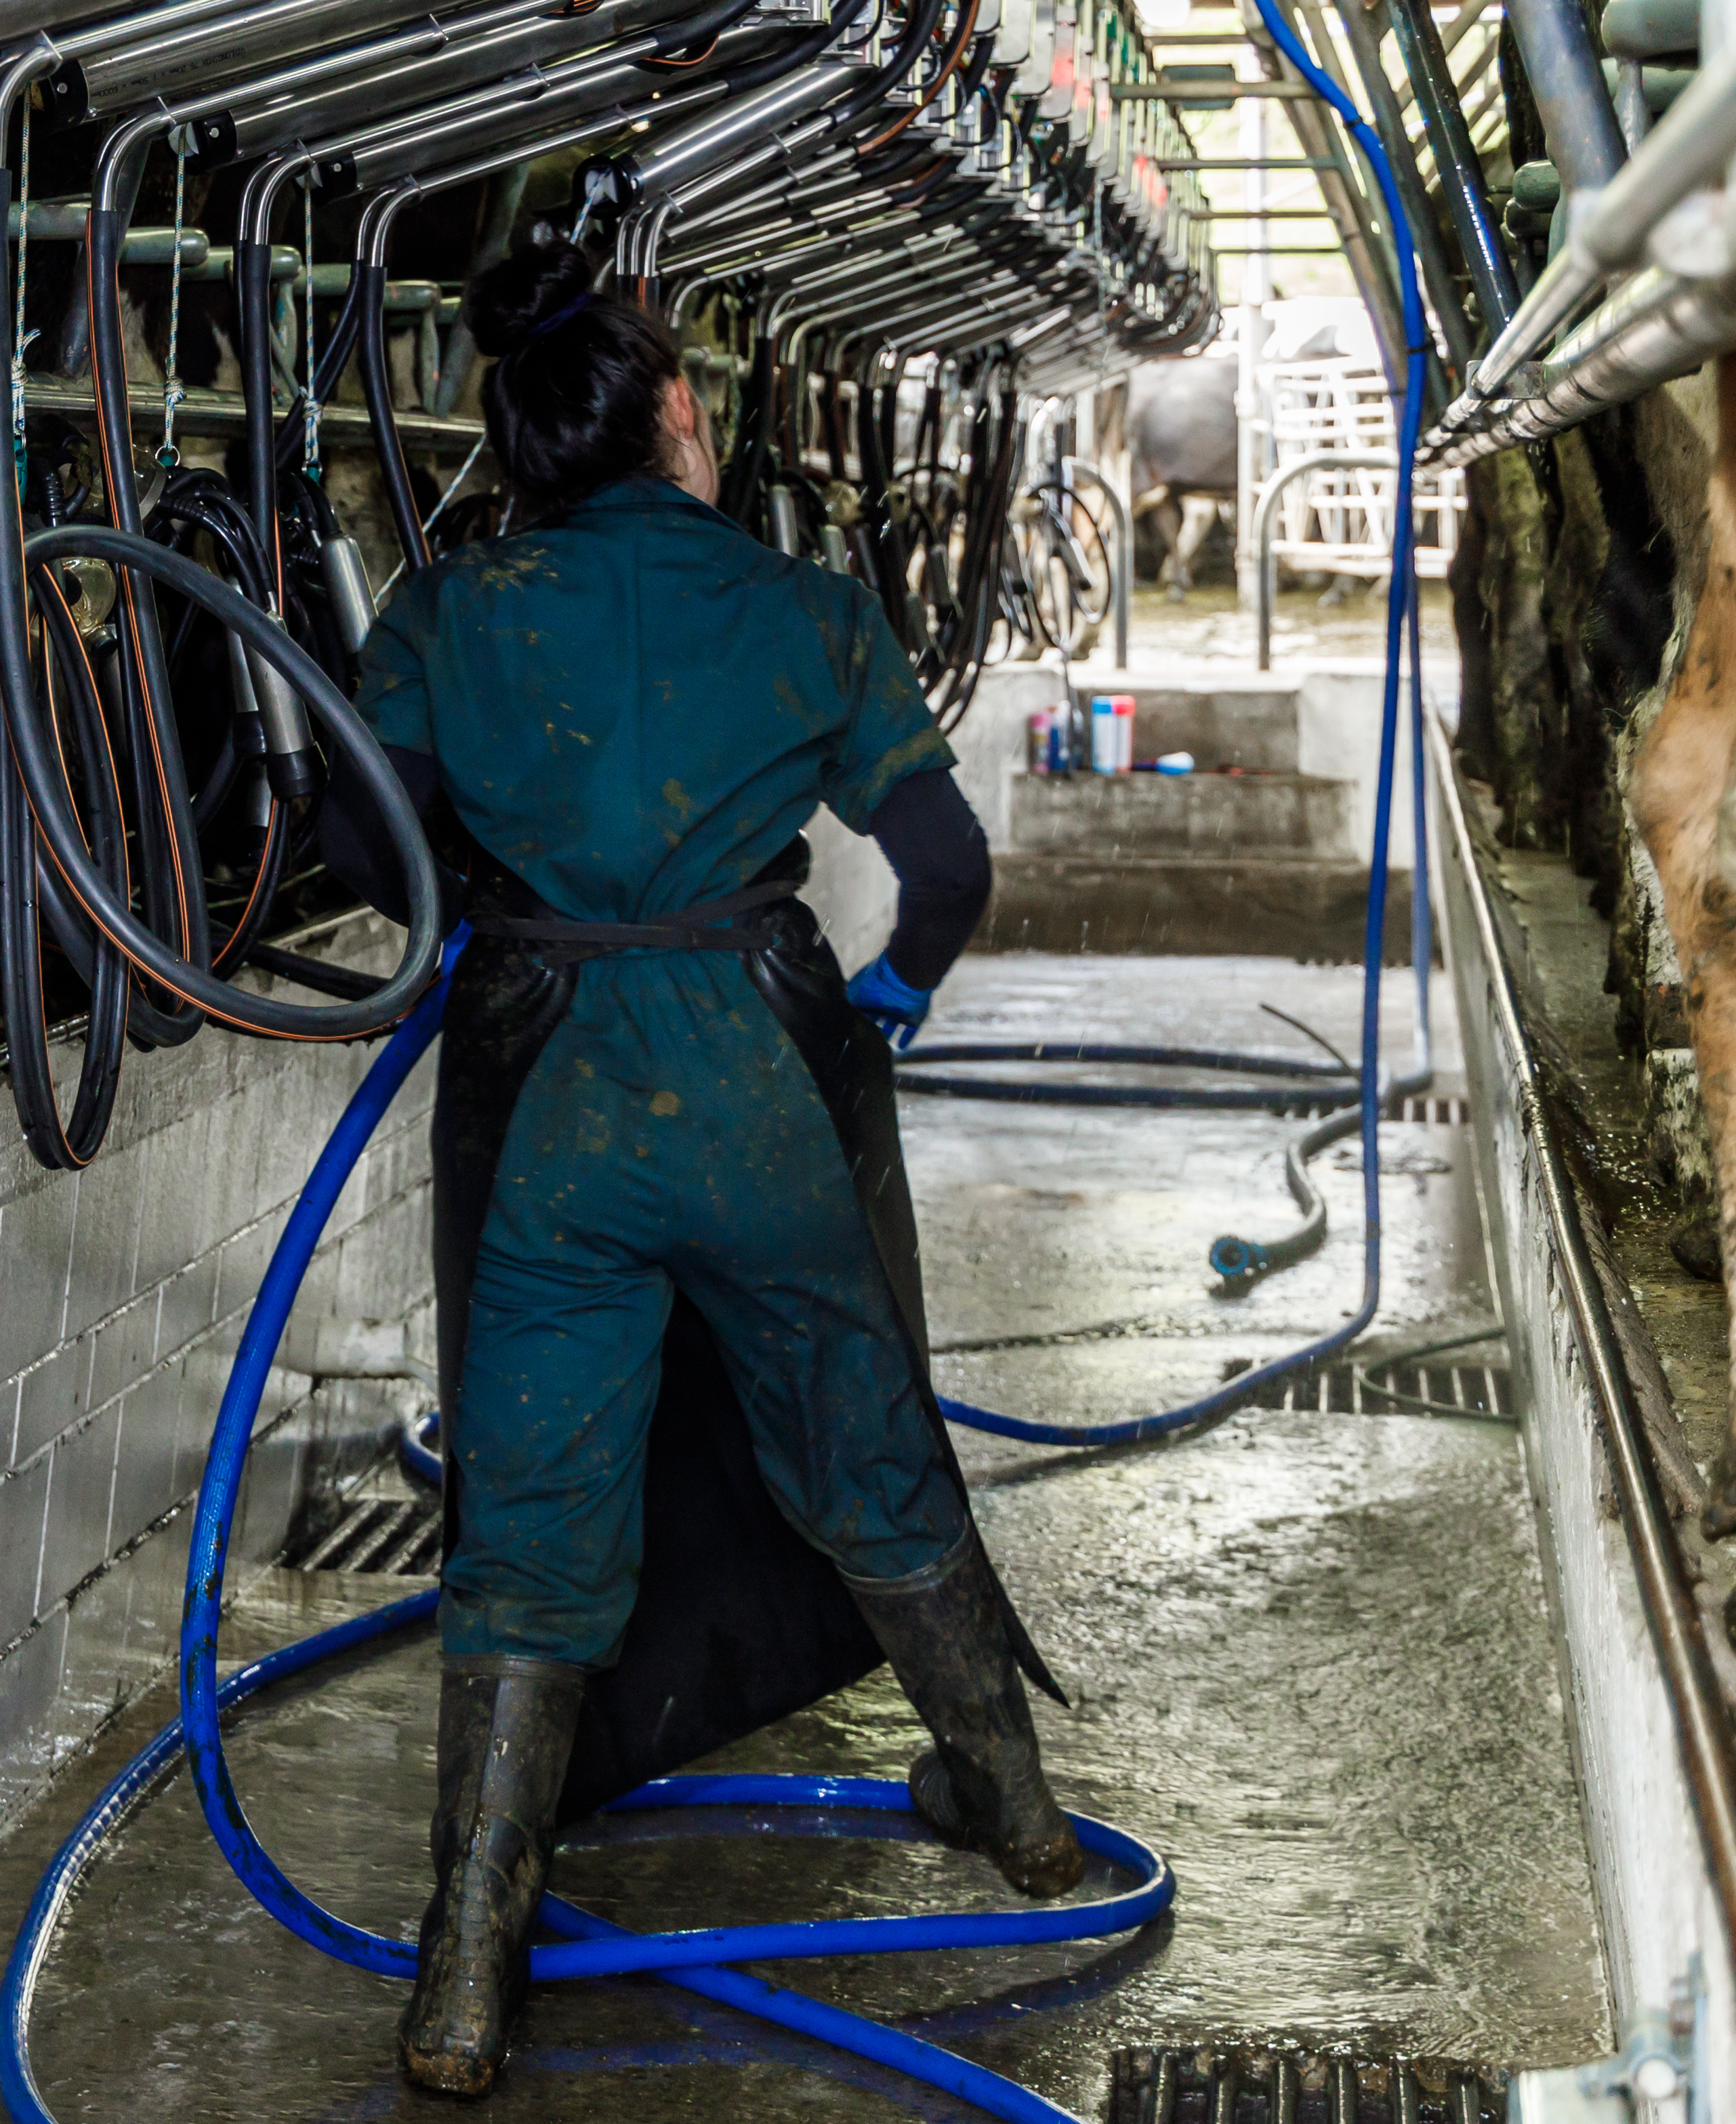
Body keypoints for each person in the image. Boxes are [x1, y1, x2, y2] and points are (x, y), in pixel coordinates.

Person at [320, 232, 1077, 2101]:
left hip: (557, 1089)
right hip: (756, 1082)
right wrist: (881, 1001)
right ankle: (1022, 1811)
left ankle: (464, 1982)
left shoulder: (449, 610)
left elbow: (366, 855)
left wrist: (522, 877)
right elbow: (948, 868)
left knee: (531, 1536)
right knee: (865, 1443)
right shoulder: (799, 606)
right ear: (670, 415)